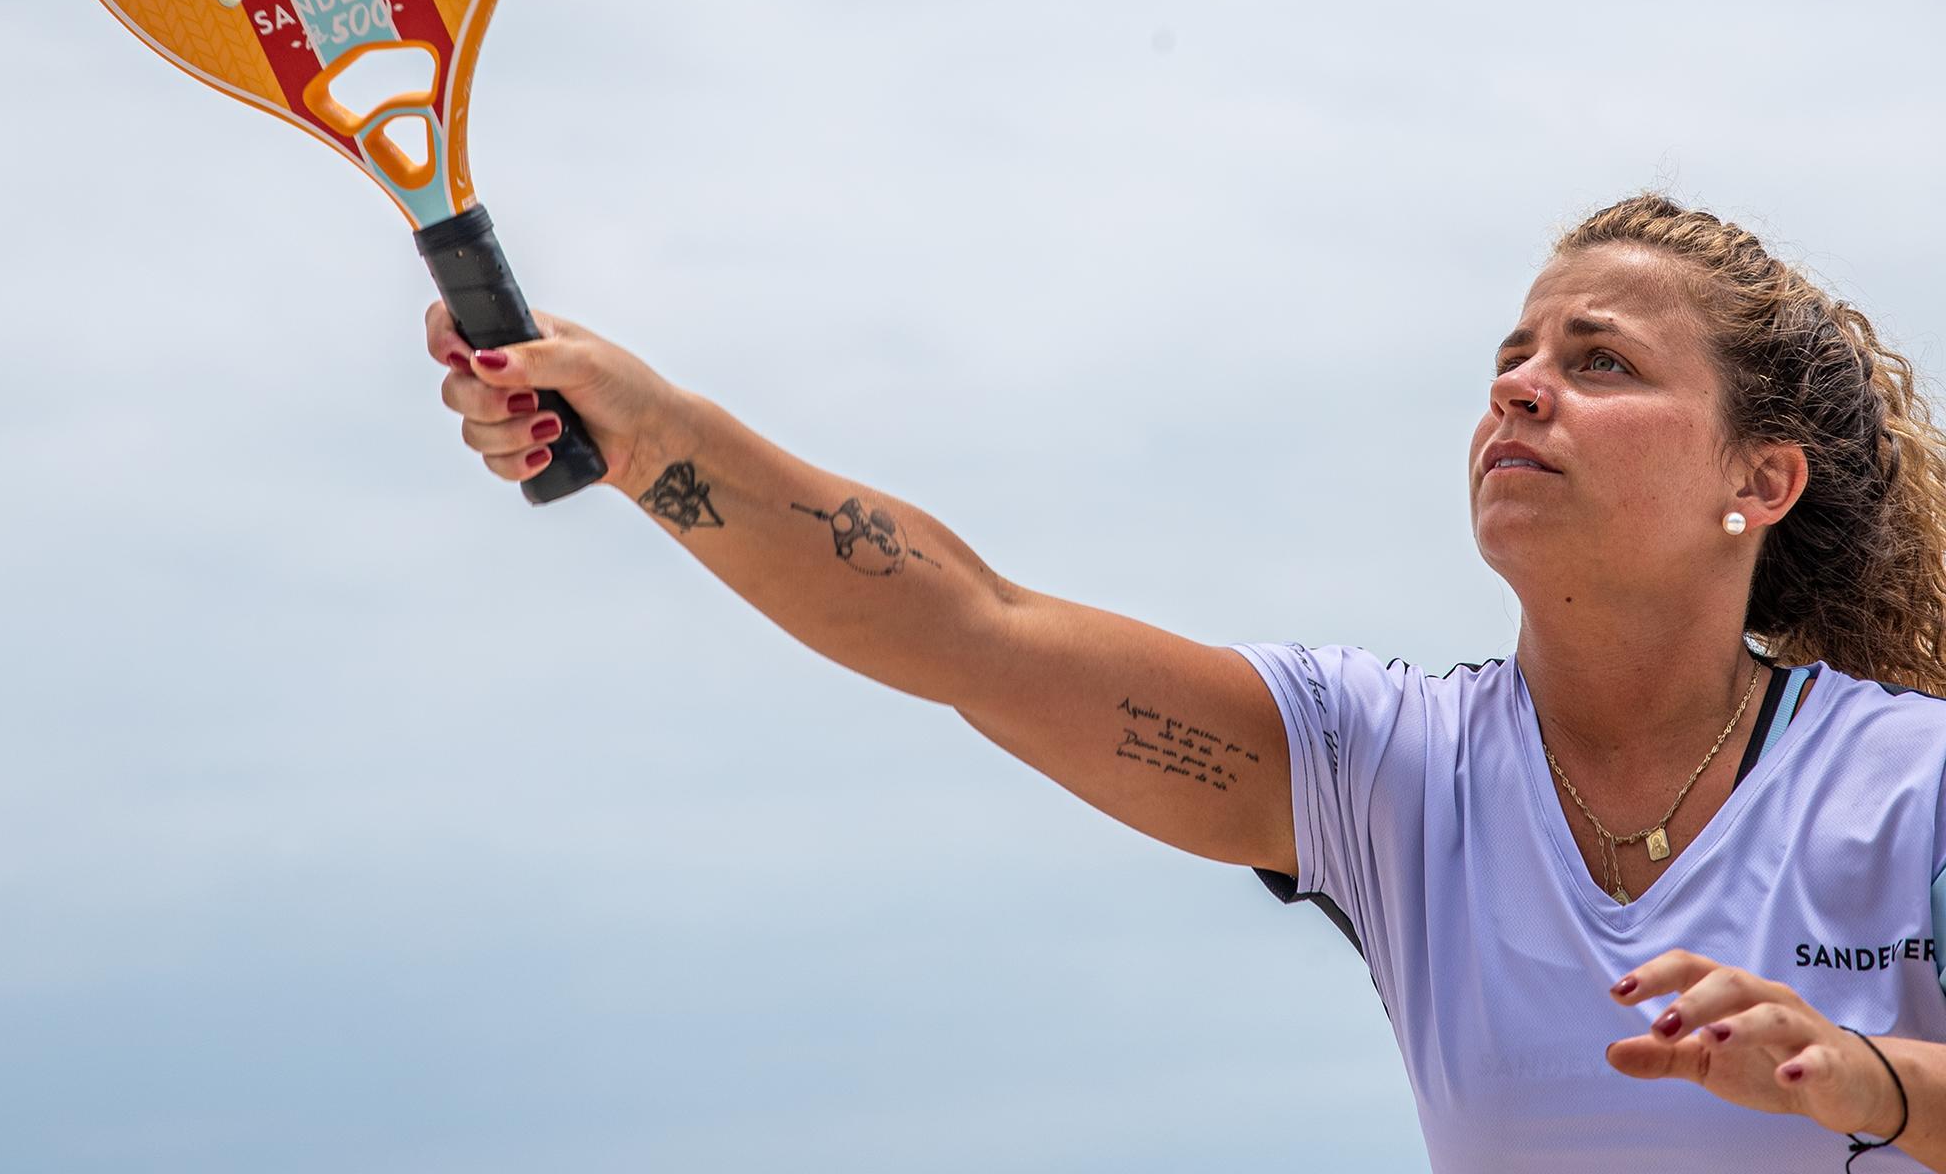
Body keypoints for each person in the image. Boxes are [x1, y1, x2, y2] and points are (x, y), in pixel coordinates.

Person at [426, 191, 1946, 1170]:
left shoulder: (1909, 784)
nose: (1519, 383)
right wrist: (647, 438)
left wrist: (1871, 1082)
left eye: (1601, 361)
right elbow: (974, 629)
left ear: (1761, 478)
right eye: (1514, 351)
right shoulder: (1385, 772)